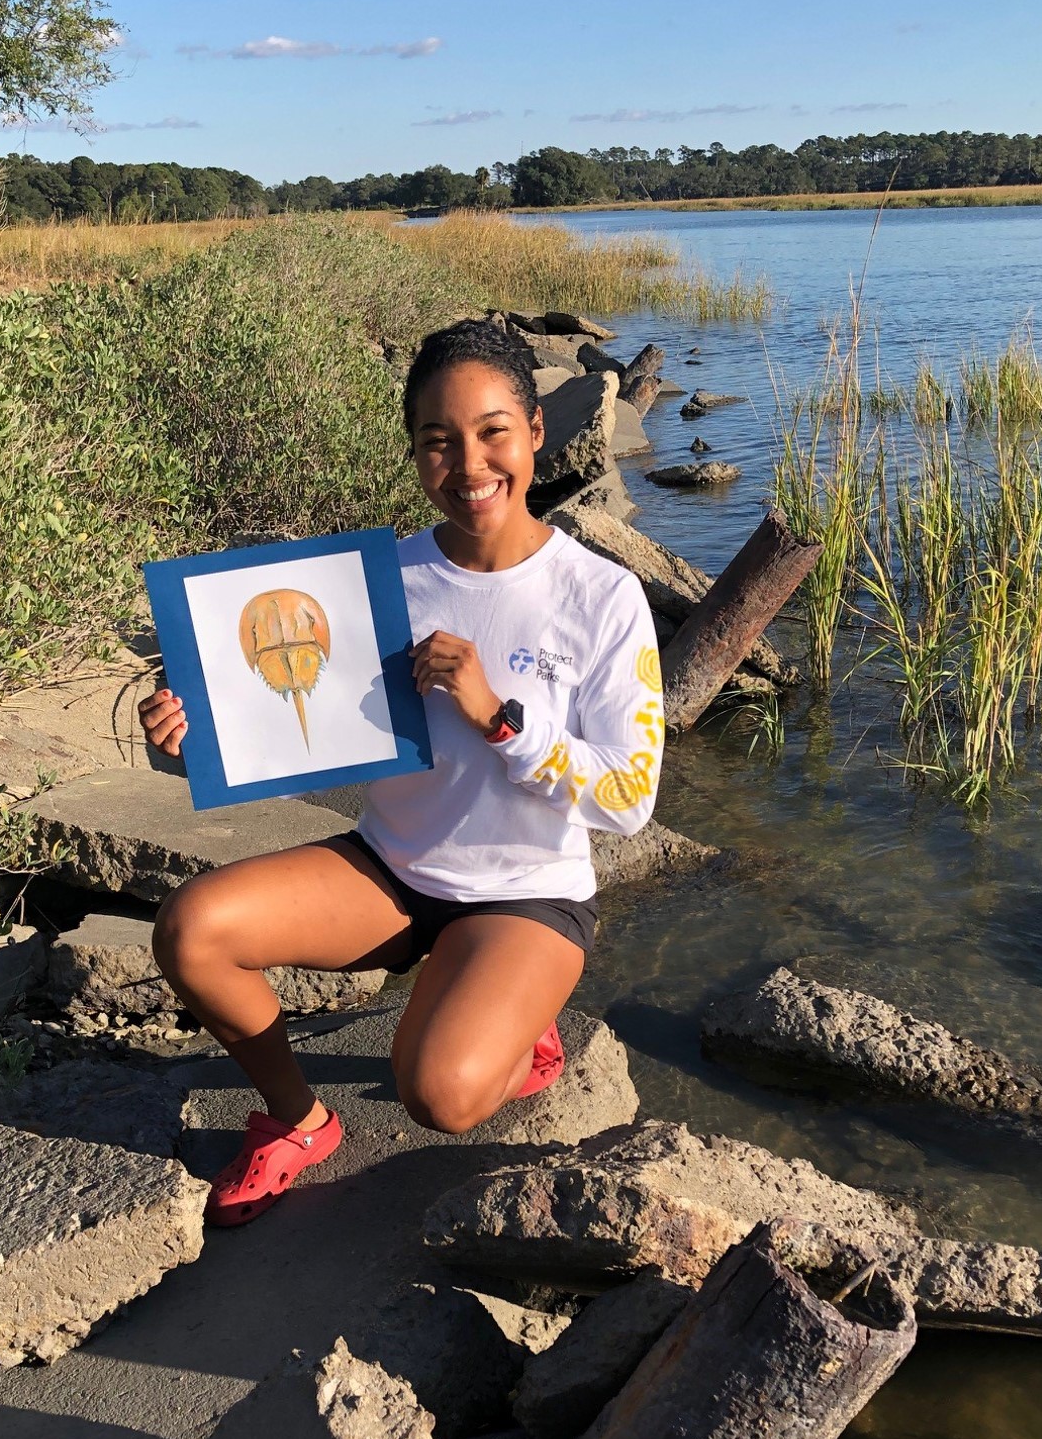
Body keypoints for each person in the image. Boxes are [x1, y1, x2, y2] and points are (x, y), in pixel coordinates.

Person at [139, 318, 664, 1226]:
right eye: (438, 440)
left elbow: (628, 799)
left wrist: (498, 717)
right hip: (392, 869)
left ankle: (518, 1013)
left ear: (538, 430)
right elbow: (279, 715)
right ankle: (299, 1121)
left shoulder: (600, 596)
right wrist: (189, 737)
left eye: (494, 431)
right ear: (414, 452)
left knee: (442, 1096)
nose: (470, 464)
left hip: (525, 891)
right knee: (191, 930)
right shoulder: (376, 580)